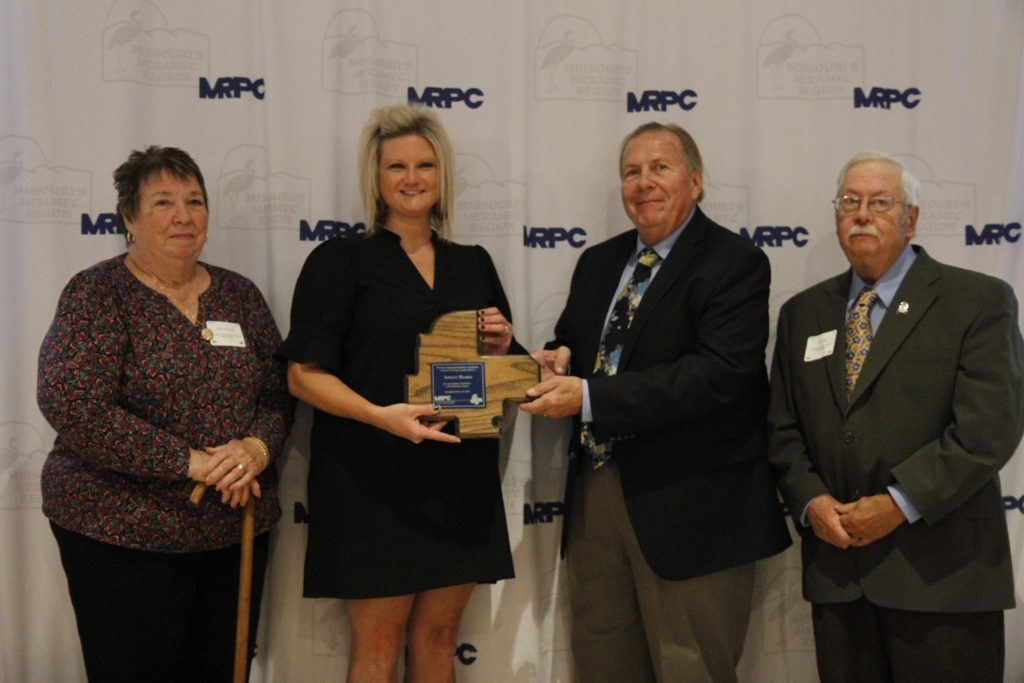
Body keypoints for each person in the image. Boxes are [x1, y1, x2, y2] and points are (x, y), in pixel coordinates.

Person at [520, 122, 791, 683]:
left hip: (694, 506)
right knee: (603, 664)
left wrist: (590, 395)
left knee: (692, 667)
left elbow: (719, 374)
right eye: (631, 172)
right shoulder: (598, 262)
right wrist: (554, 361)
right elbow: (581, 347)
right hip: (597, 495)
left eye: (659, 168)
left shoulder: (734, 261)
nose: (644, 183)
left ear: (694, 179)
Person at [282, 104, 518, 683]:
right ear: (376, 178)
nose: (412, 178)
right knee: (378, 646)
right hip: (369, 479)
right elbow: (302, 374)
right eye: (397, 167)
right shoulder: (340, 261)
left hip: (459, 479)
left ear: (443, 177)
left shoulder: (474, 263)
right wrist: (380, 417)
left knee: (439, 639)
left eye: (425, 165)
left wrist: (506, 344)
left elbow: (506, 370)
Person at [768, 151, 1024, 683]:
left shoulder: (977, 301)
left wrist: (899, 503)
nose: (861, 214)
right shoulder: (802, 314)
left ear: (910, 219)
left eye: (880, 203)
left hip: (943, 577)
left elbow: (988, 429)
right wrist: (811, 501)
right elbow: (782, 429)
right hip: (839, 576)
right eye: (849, 202)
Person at [37, 145, 291, 682]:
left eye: (195, 201)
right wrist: (191, 463)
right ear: (129, 218)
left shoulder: (239, 296)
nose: (183, 215)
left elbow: (276, 393)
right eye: (163, 202)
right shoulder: (97, 292)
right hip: (120, 532)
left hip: (231, 530)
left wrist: (254, 450)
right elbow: (73, 402)